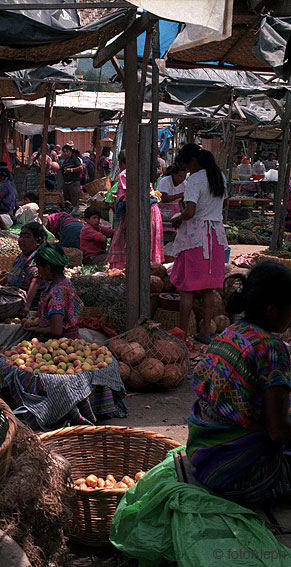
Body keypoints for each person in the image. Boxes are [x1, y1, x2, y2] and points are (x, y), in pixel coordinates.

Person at [186, 261, 291, 504]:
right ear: (272, 311)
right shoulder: (271, 349)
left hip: (204, 456)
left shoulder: (230, 334)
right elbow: (278, 432)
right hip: (239, 475)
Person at [170, 143, 228, 343]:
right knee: (208, 289)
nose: (187, 170)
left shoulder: (194, 179)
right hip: (216, 236)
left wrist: (177, 218)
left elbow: (190, 212)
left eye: (186, 166)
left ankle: (182, 333)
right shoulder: (219, 176)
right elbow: (223, 203)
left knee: (187, 288)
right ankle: (205, 333)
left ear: (193, 162)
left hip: (196, 238)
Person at [107, 149, 164, 269]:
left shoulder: (126, 174)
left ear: (121, 162)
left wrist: (127, 221)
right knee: (145, 243)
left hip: (136, 212)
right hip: (150, 211)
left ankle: (132, 271)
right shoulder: (141, 172)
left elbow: (131, 198)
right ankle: (146, 269)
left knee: (131, 243)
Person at [23, 242, 83, 339]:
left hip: (62, 343)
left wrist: (35, 329)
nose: (38, 272)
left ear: (47, 268)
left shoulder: (57, 294)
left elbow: (56, 331)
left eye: (39, 268)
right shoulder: (64, 282)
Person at [0, 222, 46, 316]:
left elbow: (36, 282)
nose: (21, 240)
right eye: (21, 236)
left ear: (38, 241)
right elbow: (13, 273)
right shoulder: (22, 256)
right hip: (14, 297)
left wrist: (27, 305)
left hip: (31, 304)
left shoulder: (37, 259)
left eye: (27, 237)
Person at [61, 144, 82, 212]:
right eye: (64, 152)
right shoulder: (64, 161)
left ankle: (75, 213)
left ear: (70, 152)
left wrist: (71, 170)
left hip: (74, 182)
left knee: (74, 199)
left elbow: (80, 167)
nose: (65, 153)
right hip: (66, 183)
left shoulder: (74, 159)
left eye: (67, 151)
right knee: (67, 199)